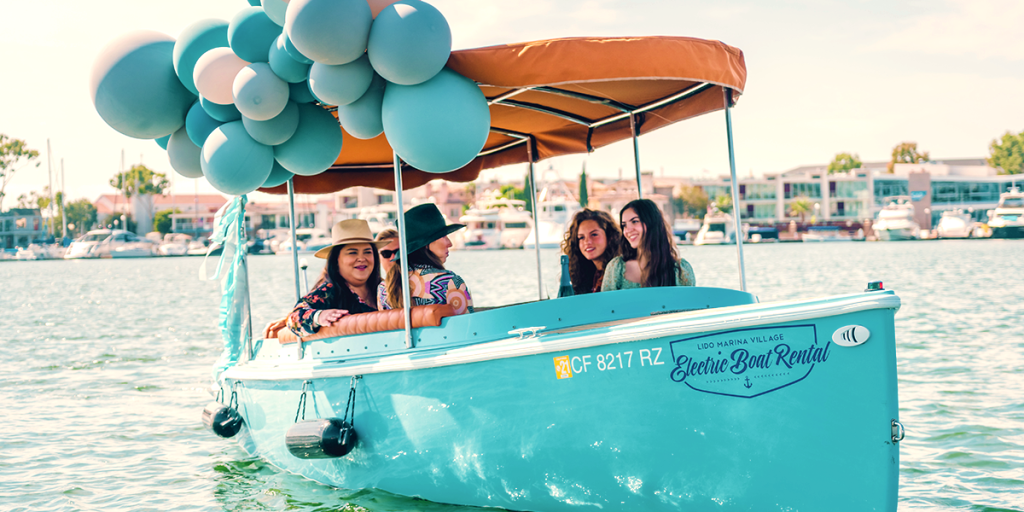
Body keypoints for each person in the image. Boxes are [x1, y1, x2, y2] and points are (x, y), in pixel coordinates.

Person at [285, 219, 389, 338]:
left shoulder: (386, 288)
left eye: (367, 252)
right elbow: (293, 319)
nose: (362, 258)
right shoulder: (328, 292)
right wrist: (320, 316)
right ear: (336, 260)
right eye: (352, 253)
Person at [378, 203, 474, 315]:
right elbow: (469, 329)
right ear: (426, 243)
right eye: (443, 236)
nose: (450, 243)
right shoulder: (449, 282)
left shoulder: (383, 289)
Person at [602, 199, 695, 291]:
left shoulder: (681, 270)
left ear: (652, 223)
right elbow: (606, 305)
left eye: (634, 221)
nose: (627, 230)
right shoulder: (616, 268)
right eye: (624, 225)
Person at [560, 209, 623, 294]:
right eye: (581, 237)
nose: (587, 242)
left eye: (594, 234)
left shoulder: (620, 270)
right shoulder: (585, 274)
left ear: (610, 237)